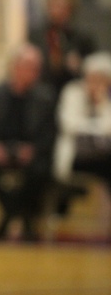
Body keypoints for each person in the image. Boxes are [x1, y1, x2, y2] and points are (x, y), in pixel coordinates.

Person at [0, 43, 56, 241]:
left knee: (42, 170)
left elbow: (49, 133)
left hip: (28, 151)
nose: (32, 73)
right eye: (28, 66)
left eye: (35, 68)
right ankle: (19, 214)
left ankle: (11, 215)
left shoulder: (44, 98)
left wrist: (33, 149)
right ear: (14, 67)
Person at [53, 51, 111, 201]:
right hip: (76, 155)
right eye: (93, 78)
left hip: (103, 155)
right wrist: (96, 128)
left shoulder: (106, 99)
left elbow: (108, 127)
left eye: (102, 79)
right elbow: (70, 125)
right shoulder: (72, 92)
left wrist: (100, 102)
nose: (96, 83)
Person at [29, 0, 96, 98]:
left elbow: (94, 71)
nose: (58, 10)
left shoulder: (82, 39)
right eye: (54, 5)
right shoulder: (36, 35)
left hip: (71, 94)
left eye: (63, 6)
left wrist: (79, 66)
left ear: (71, 9)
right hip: (39, 95)